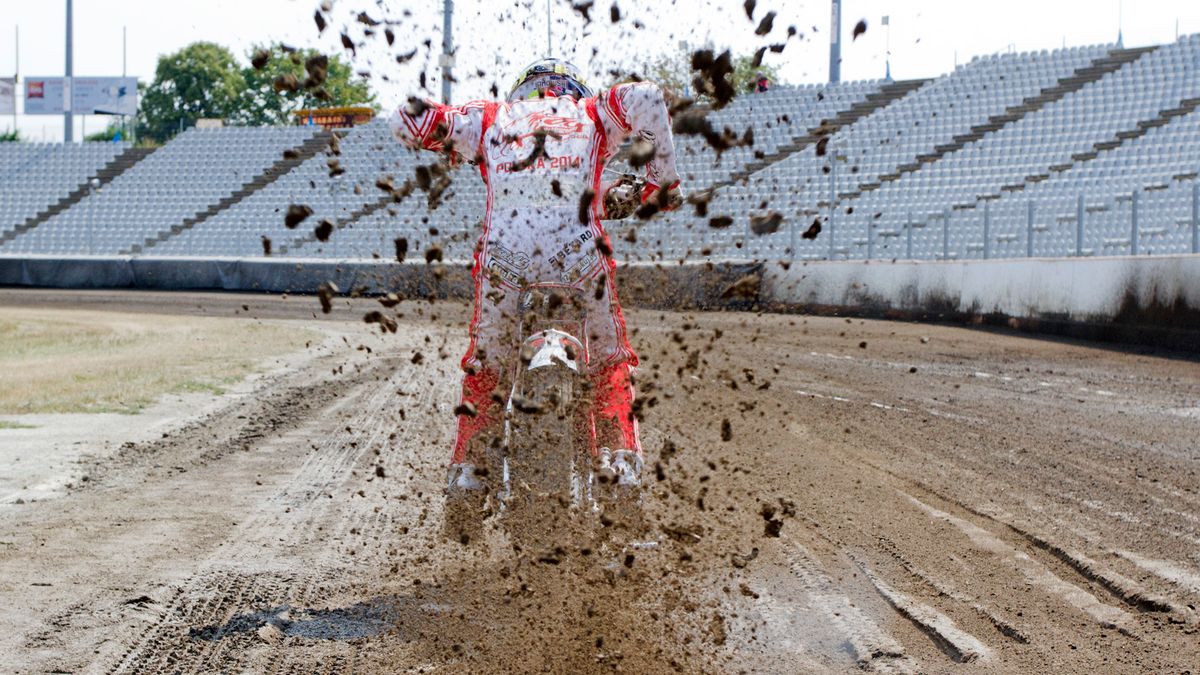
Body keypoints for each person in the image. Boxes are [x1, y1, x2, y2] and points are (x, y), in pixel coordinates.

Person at [389, 58, 682, 527]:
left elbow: (406, 118)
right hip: (579, 258)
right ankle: (623, 473)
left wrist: (439, 132)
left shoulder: (491, 118)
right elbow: (648, 97)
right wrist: (661, 184)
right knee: (610, 365)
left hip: (506, 262)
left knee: (486, 371)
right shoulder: (590, 112)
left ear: (522, 92)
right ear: (569, 89)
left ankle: (467, 481)